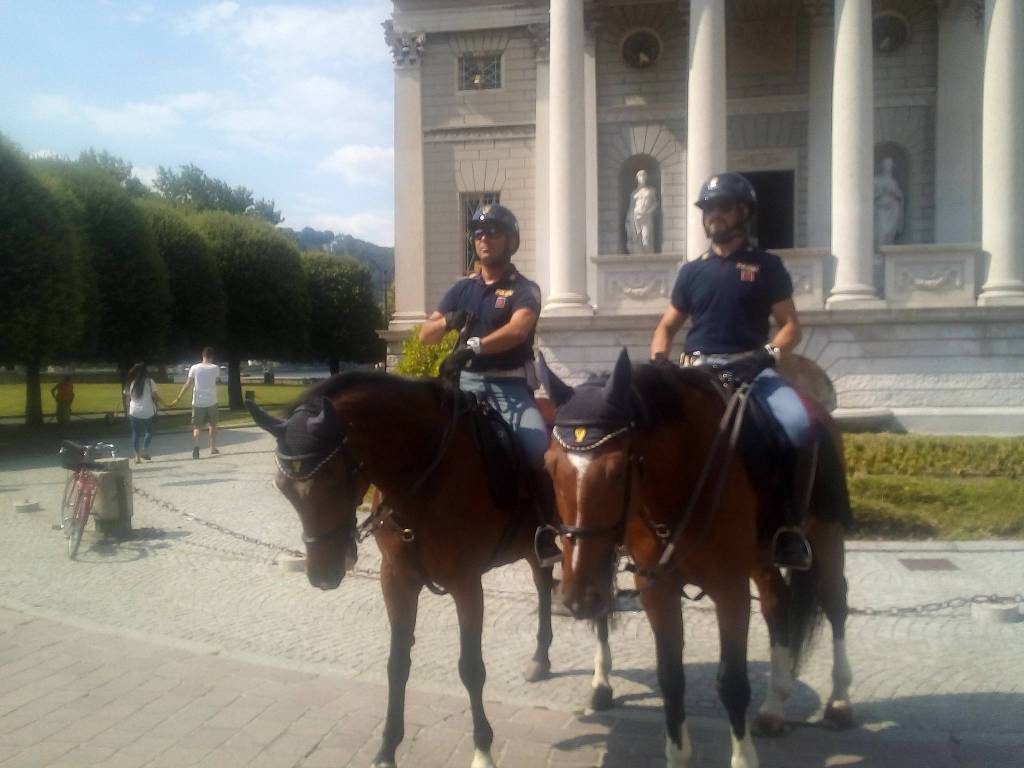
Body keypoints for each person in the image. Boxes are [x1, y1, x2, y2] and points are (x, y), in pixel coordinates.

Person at [649, 172, 814, 570]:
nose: (714, 216)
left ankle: (788, 529)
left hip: (752, 369)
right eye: (708, 209)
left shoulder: (766, 266)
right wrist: (658, 361)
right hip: (696, 371)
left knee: (798, 426)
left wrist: (767, 355)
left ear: (743, 212)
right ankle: (645, 526)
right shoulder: (691, 272)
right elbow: (667, 326)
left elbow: (791, 325)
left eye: (722, 208)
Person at [419, 203, 561, 567]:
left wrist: (474, 346)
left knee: (538, 451)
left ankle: (547, 531)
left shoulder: (524, 289)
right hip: (463, 385)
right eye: (479, 234)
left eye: (493, 233)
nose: (484, 239)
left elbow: (518, 330)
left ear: (510, 241)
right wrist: (449, 320)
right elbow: (426, 335)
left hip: (508, 389)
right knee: (423, 437)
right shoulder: (461, 289)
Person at [171, 347, 221, 459]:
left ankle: (196, 447)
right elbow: (216, 381)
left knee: (197, 427)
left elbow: (188, 384)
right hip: (212, 401)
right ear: (212, 357)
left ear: (202, 356)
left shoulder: (194, 368)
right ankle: (212, 447)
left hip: (198, 402)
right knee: (213, 425)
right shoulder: (215, 368)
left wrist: (178, 398)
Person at [124, 363, 165, 464]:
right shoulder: (150, 382)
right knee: (149, 431)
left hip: (134, 411)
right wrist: (165, 404)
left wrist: (128, 410)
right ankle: (145, 450)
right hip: (148, 411)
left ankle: (137, 457)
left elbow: (127, 398)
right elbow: (155, 396)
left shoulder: (131, 382)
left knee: (136, 434)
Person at [625, 169, 659, 254]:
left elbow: (655, 203)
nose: (642, 178)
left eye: (644, 176)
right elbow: (631, 207)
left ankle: (647, 257)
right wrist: (628, 220)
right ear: (637, 178)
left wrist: (650, 211)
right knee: (636, 237)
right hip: (636, 216)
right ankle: (638, 255)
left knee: (646, 237)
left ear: (646, 178)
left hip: (647, 216)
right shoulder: (634, 193)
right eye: (640, 176)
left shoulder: (651, 190)